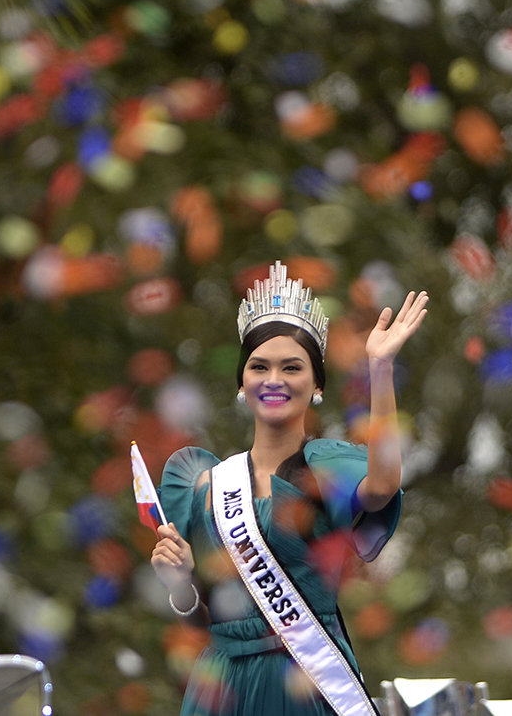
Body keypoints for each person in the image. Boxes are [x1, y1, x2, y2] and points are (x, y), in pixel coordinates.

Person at [151, 262, 428, 716]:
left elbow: (382, 486)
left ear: (316, 384)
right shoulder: (205, 484)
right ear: (242, 382)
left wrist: (380, 368)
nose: (274, 380)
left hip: (304, 683)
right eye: (259, 366)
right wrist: (178, 582)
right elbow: (202, 616)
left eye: (292, 367)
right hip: (221, 691)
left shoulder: (326, 466)